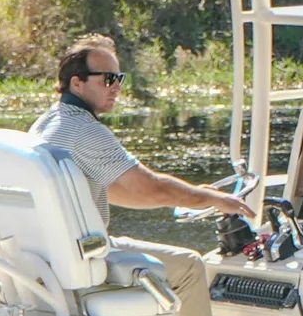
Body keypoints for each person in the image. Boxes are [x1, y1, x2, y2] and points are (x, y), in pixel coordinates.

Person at [31, 34, 251, 219]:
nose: (117, 87)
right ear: (77, 83)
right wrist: (213, 199)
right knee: (191, 265)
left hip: (60, 253)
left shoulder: (48, 120)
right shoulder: (84, 130)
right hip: (86, 256)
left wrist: (196, 196)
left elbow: (116, 191)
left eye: (120, 78)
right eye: (108, 79)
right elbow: (151, 187)